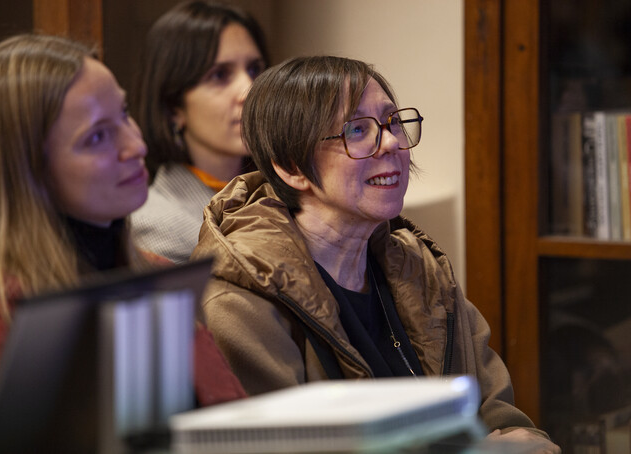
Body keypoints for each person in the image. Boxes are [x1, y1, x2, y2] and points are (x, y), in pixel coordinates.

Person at [192, 56, 561, 452]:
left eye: (392, 122)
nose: (391, 143)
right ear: (291, 167)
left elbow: (502, 419)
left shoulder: (421, 269)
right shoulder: (239, 304)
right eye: (356, 129)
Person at [0, 33, 245, 406]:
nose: (136, 145)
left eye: (124, 113)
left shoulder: (155, 274)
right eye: (97, 137)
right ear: (27, 173)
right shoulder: (4, 316)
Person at [130, 0, 268, 263]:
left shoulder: (284, 190)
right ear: (174, 107)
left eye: (254, 70)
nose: (250, 90)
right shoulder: (157, 224)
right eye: (219, 75)